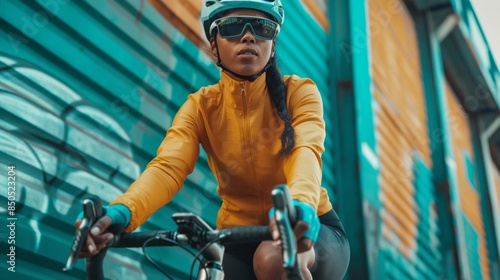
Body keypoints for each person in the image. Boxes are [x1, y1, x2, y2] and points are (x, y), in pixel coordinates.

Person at [76, 0, 350, 279]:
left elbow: (305, 151)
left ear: (273, 42)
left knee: (272, 258)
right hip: (236, 240)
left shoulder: (300, 92)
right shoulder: (200, 106)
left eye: (262, 27)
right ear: (214, 42)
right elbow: (168, 168)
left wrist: (299, 206)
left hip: (308, 226)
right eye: (232, 26)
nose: (248, 35)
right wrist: (122, 212)